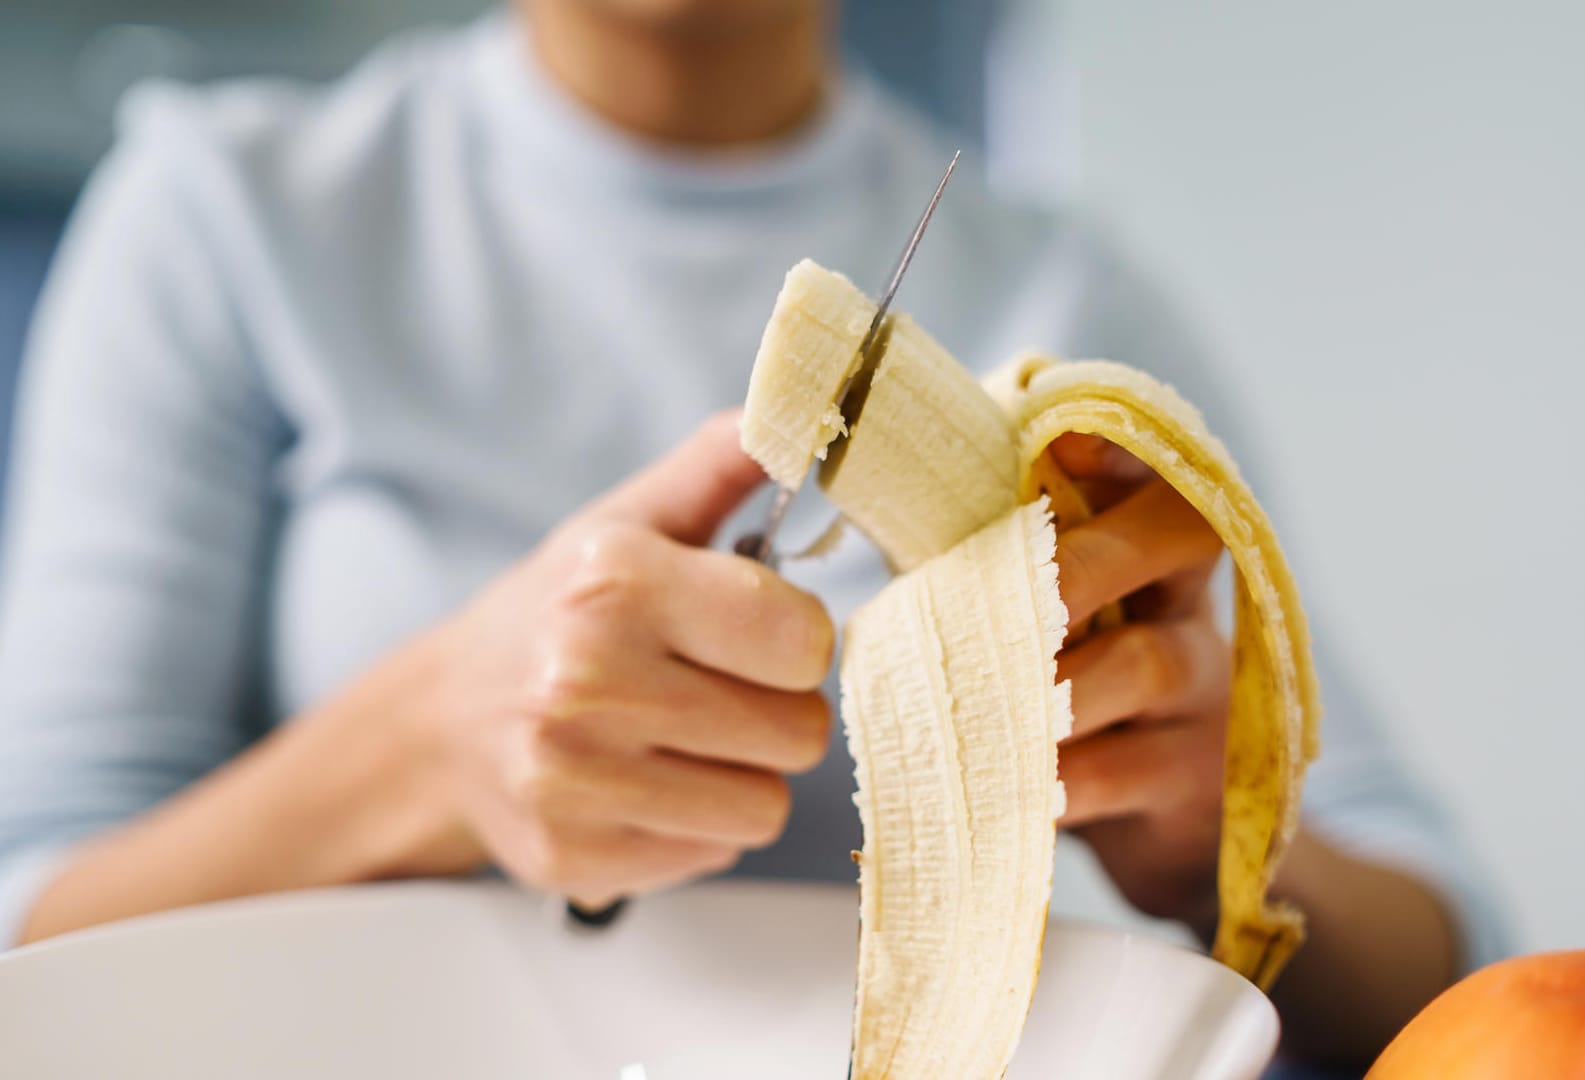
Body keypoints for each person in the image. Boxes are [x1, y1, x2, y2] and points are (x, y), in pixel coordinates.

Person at [0, 0, 1504, 1070]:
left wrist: (1220, 846)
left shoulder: (1066, 296)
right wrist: (431, 748)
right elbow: (28, 931)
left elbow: (1455, 979)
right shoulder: (222, 214)